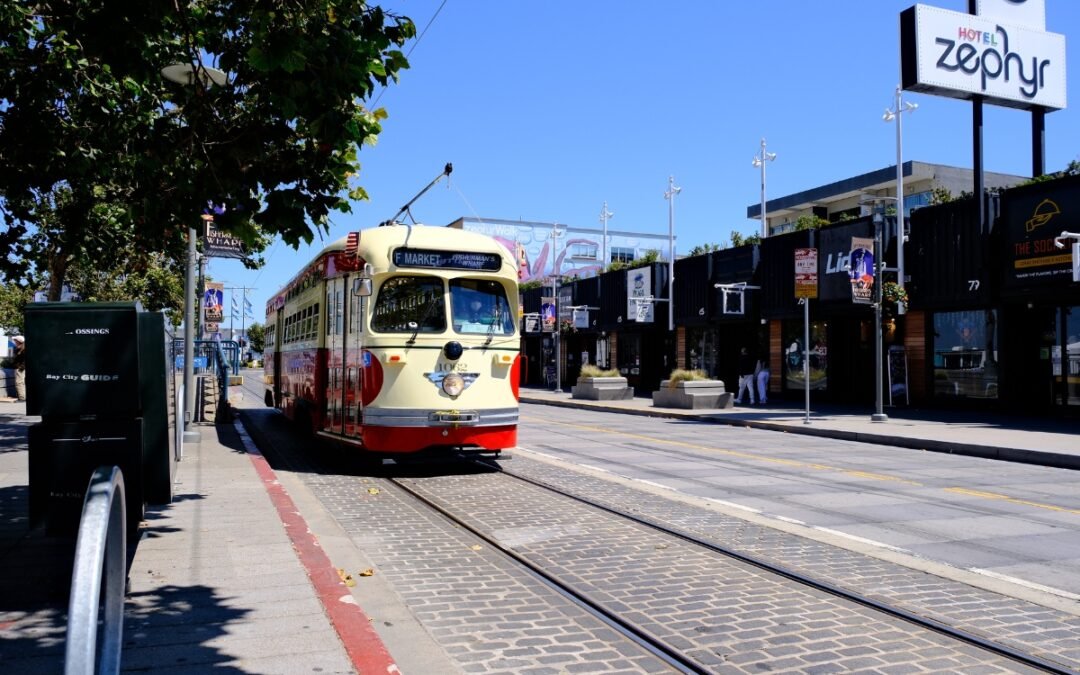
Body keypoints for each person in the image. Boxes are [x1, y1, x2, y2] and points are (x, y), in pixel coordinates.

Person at [11, 335, 26, 401]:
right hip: (19, 367)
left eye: (15, 340)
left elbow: (24, 360)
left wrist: (21, 367)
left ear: (18, 341)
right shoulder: (19, 348)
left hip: (20, 368)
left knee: (19, 382)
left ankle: (22, 398)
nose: (14, 341)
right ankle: (21, 396)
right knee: (20, 382)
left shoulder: (22, 349)